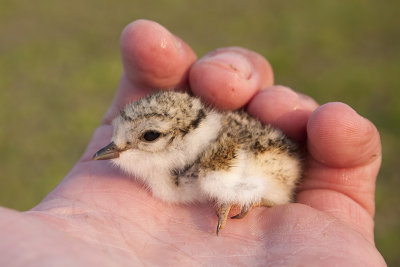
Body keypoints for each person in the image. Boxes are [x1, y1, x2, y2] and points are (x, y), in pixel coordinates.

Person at [0, 20, 386, 266]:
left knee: (219, 173)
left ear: (183, 139)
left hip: (261, 165)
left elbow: (249, 163)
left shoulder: (213, 161)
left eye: (147, 137)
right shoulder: (169, 175)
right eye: (121, 137)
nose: (114, 150)